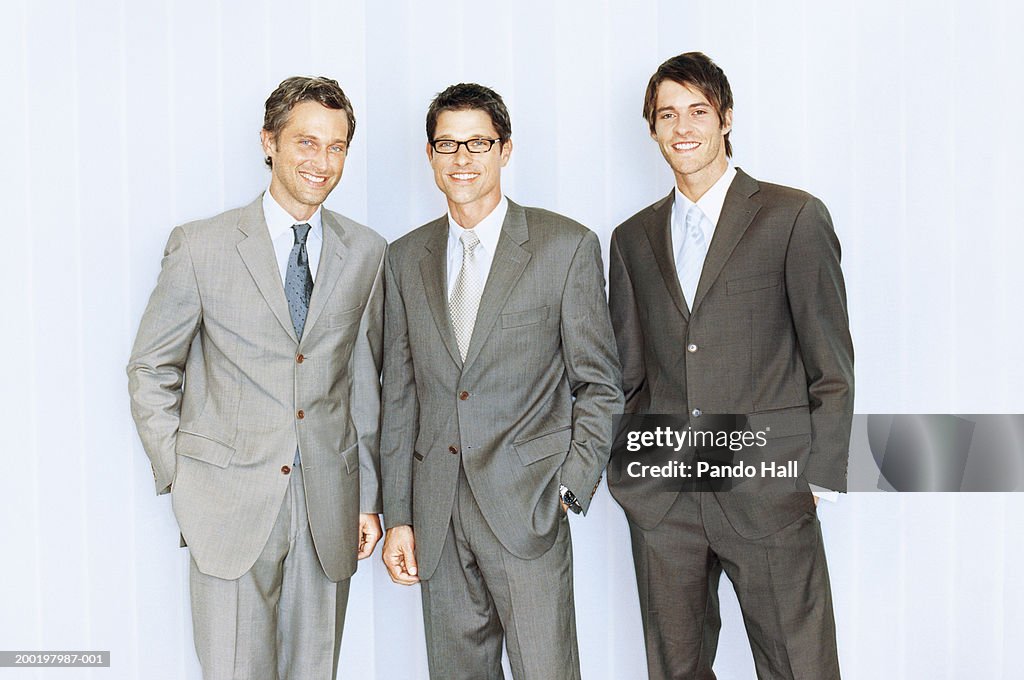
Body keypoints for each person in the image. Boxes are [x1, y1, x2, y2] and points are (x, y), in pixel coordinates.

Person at [126, 76, 385, 680]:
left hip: (329, 506)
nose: (321, 162)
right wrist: (183, 477)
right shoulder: (200, 246)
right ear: (269, 141)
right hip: (226, 506)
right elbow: (150, 367)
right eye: (306, 142)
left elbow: (366, 383)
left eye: (337, 146)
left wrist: (369, 497)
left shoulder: (368, 252)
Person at [608, 52, 854, 679]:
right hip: (667, 503)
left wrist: (813, 478)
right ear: (653, 128)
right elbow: (629, 375)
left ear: (725, 119)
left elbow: (830, 360)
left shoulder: (792, 217)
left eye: (697, 111)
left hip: (768, 489)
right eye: (667, 115)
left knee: (799, 667)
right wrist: (632, 478)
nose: (682, 127)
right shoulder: (632, 240)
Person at [379, 82, 623, 680]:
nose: (462, 158)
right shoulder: (404, 257)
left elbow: (599, 384)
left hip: (529, 508)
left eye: (478, 143)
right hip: (437, 515)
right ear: (430, 155)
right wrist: (400, 515)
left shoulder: (564, 247)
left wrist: (570, 487)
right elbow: (400, 396)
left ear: (505, 150)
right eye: (447, 144)